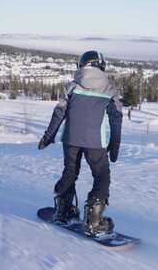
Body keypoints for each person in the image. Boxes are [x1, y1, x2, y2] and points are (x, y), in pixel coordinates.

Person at [38, 50, 123, 236]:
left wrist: (48, 136)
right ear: (101, 66)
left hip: (70, 140)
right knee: (101, 176)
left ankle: (64, 210)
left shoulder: (72, 86)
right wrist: (115, 143)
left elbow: (59, 112)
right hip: (95, 142)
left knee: (70, 172)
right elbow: (116, 117)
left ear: (82, 65)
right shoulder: (109, 89)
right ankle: (94, 220)